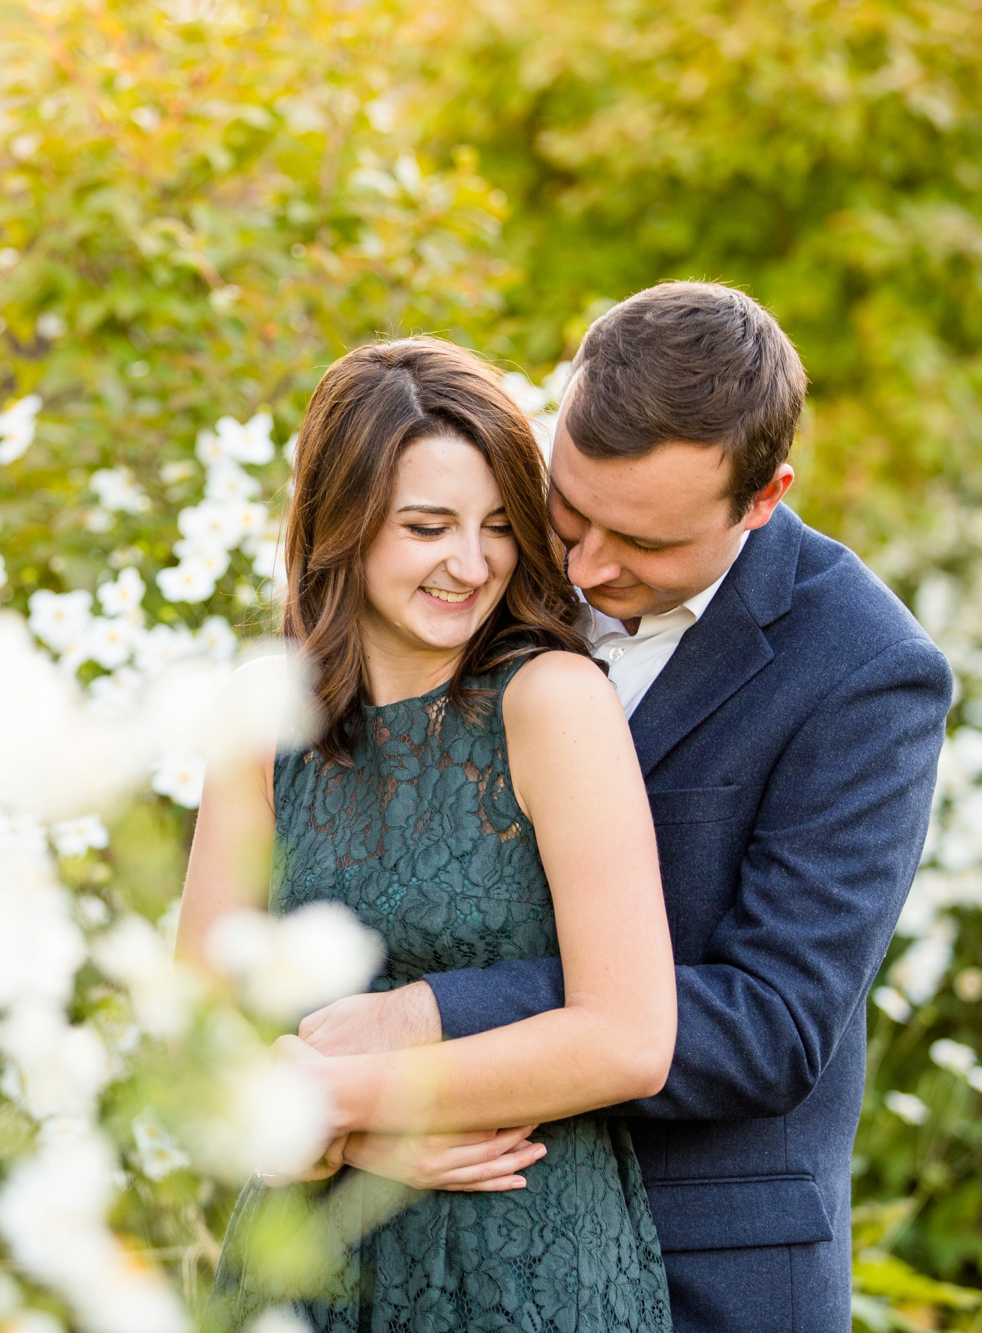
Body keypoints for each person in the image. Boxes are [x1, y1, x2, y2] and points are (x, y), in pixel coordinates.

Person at [294, 283, 956, 1333]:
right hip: (425, 1230)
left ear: (761, 497)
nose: (588, 569)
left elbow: (773, 1022)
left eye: (642, 545)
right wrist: (352, 1122)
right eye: (568, 510)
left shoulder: (863, 672)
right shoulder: (487, 567)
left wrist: (430, 1025)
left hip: (699, 1261)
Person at [180, 336, 679, 1332]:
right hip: (301, 1260)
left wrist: (345, 1096)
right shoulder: (261, 714)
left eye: (498, 524)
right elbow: (195, 1026)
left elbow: (628, 1038)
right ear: (341, 523)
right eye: (425, 526)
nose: (469, 562)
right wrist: (351, 1138)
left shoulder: (549, 702)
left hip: (523, 1266)